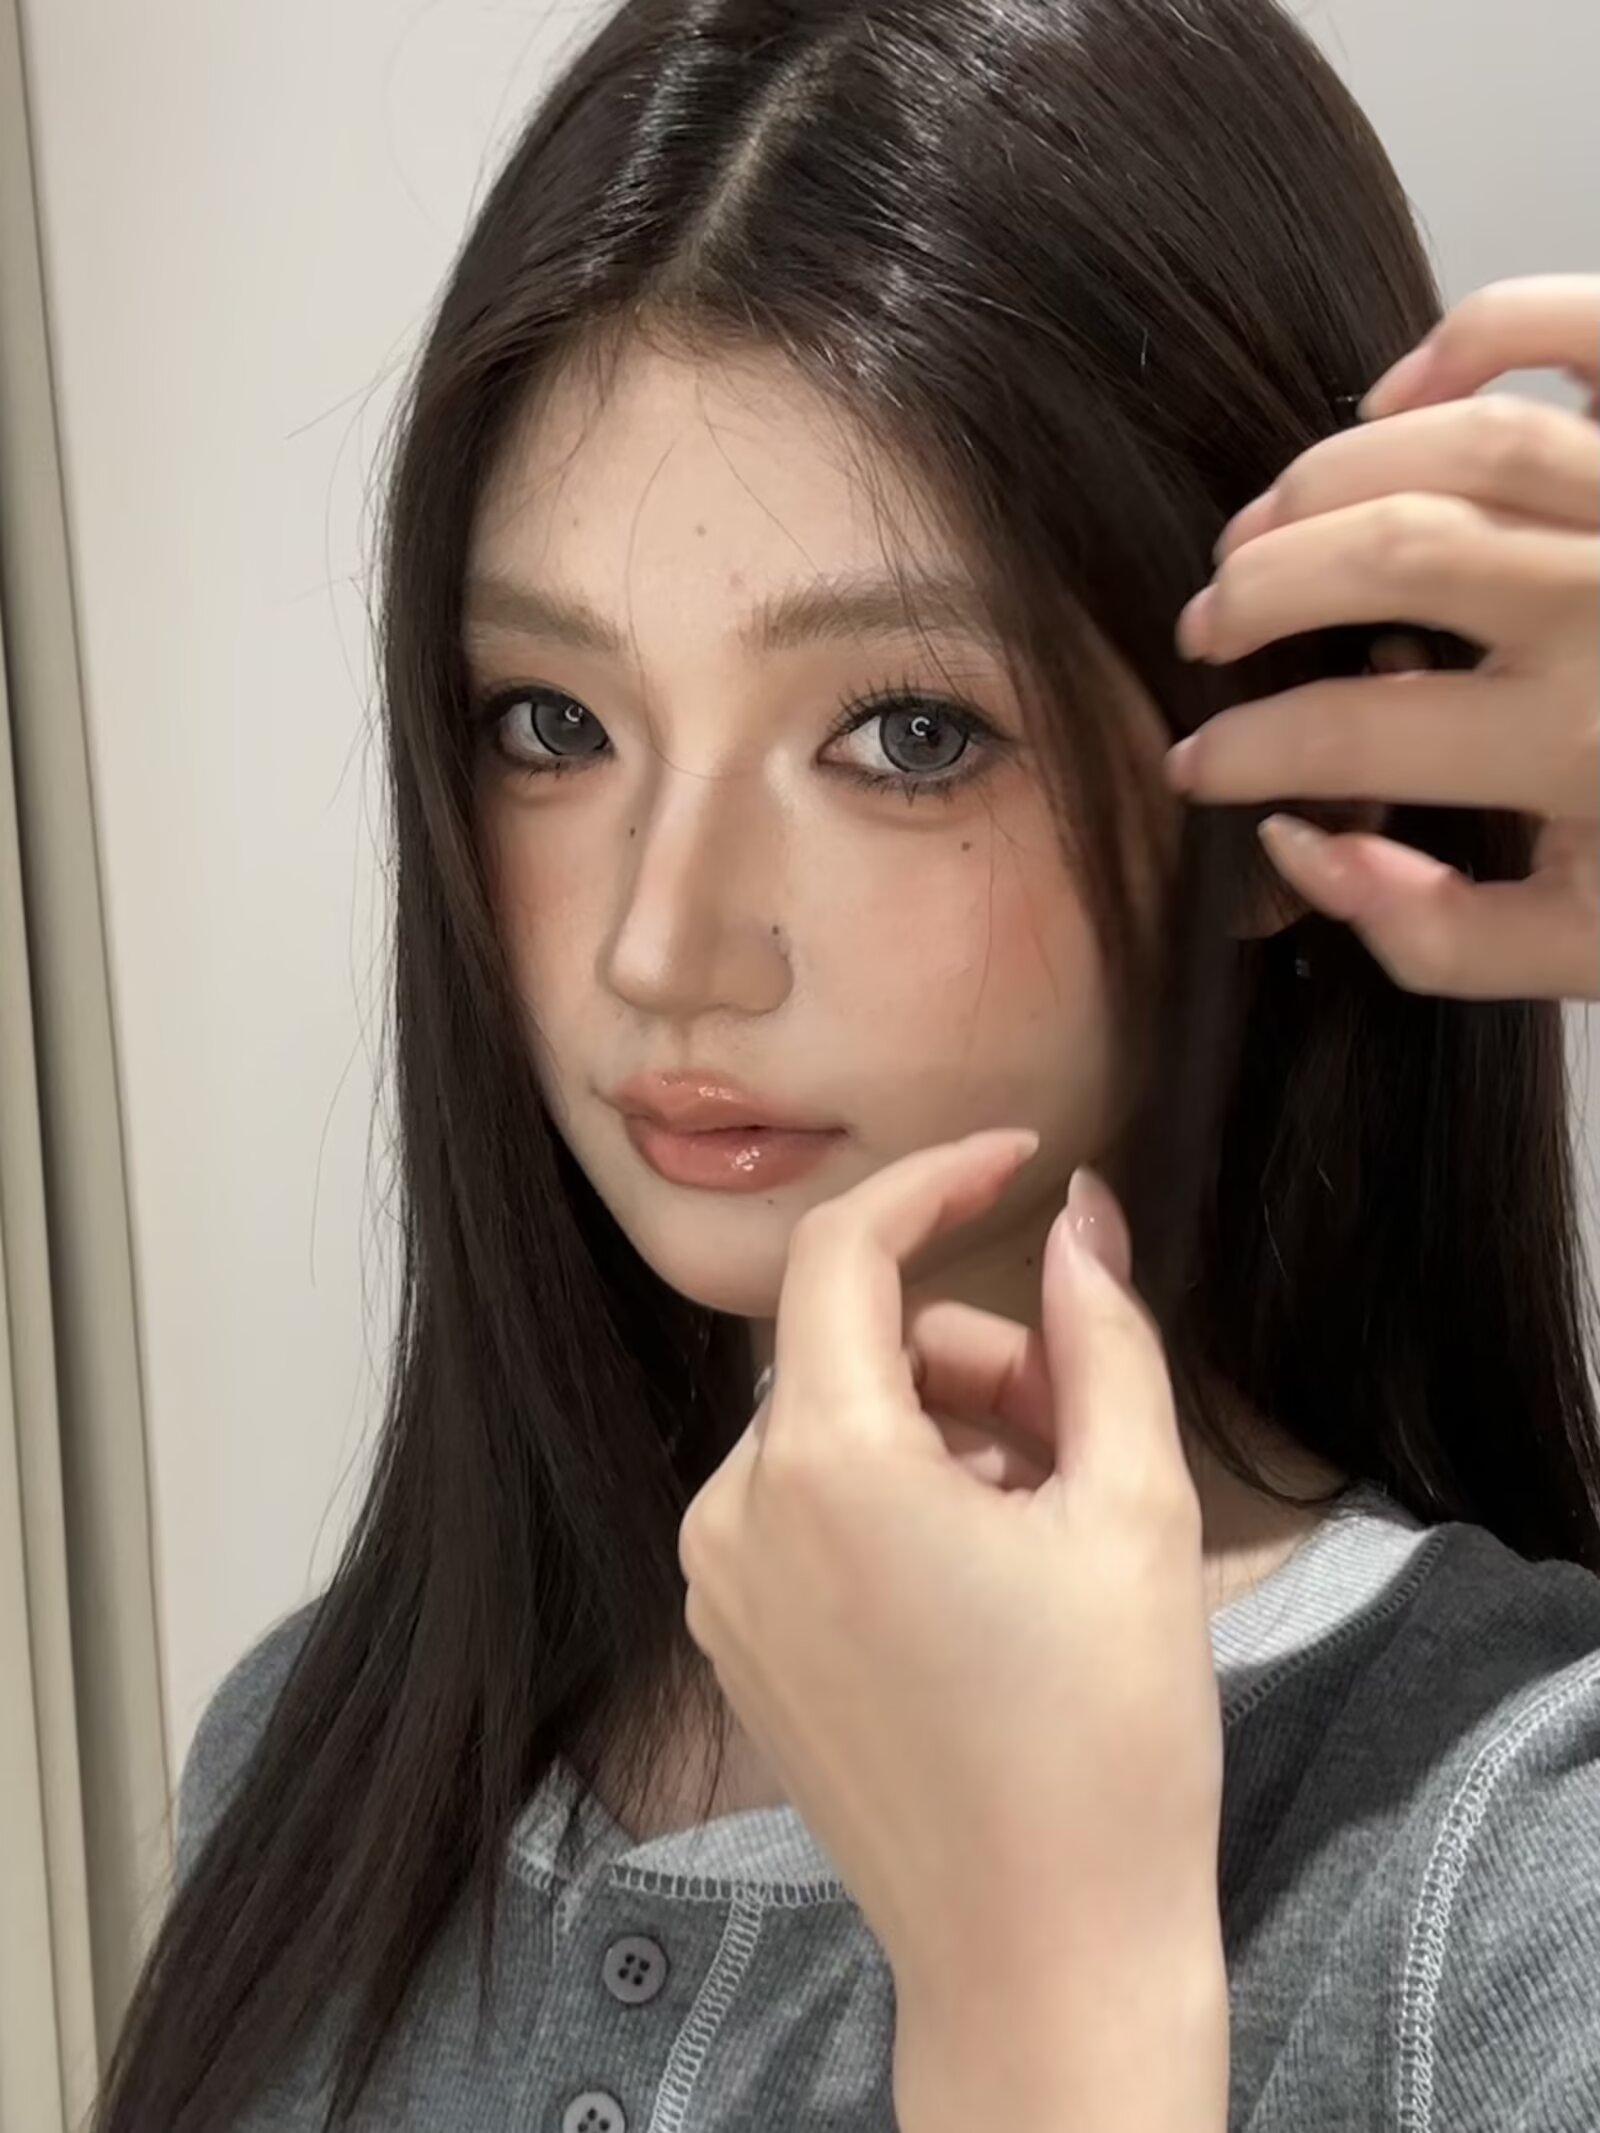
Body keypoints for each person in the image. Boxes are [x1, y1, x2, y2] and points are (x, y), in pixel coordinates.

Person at [94, 0, 1600, 2127]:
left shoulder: (1515, 1872)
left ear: (1298, 782)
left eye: (904, 730)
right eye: (552, 722)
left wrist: (1045, 1995)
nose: (658, 943)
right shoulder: (310, 1768)